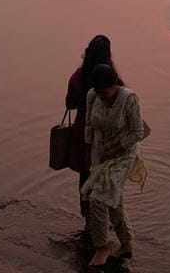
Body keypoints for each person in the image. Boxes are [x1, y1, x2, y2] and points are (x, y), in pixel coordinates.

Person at [83, 63, 147, 268]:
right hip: (100, 154)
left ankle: (102, 247)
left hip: (124, 156)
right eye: (99, 93)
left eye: (105, 93)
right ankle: (127, 243)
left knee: (98, 199)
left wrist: (114, 150)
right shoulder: (92, 95)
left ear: (114, 85)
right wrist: (88, 152)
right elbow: (89, 126)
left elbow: (137, 133)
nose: (102, 97)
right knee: (114, 200)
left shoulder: (129, 99)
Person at [66, 35, 120, 225]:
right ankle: (106, 219)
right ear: (108, 55)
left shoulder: (77, 76)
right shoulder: (111, 79)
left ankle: (88, 219)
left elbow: (70, 104)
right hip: (106, 136)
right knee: (107, 176)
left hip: (82, 134)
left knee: (85, 176)